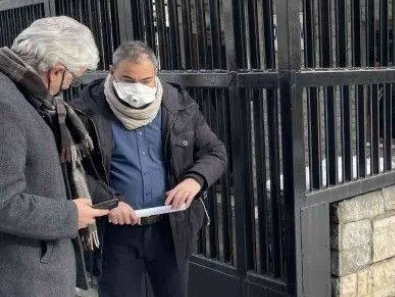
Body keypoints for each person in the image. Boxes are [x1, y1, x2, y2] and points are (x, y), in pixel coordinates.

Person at [71, 41, 227, 297]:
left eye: (146, 80)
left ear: (156, 72)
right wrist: (109, 201)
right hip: (115, 233)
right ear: (112, 72)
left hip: (170, 229)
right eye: (128, 79)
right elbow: (71, 170)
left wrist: (195, 179)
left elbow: (215, 152)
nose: (137, 88)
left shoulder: (179, 106)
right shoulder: (85, 112)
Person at [0, 16, 110, 297]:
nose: (70, 87)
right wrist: (70, 215)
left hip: (37, 271)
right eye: (73, 78)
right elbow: (4, 203)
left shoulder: (27, 97)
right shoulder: (6, 106)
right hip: (24, 279)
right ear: (55, 71)